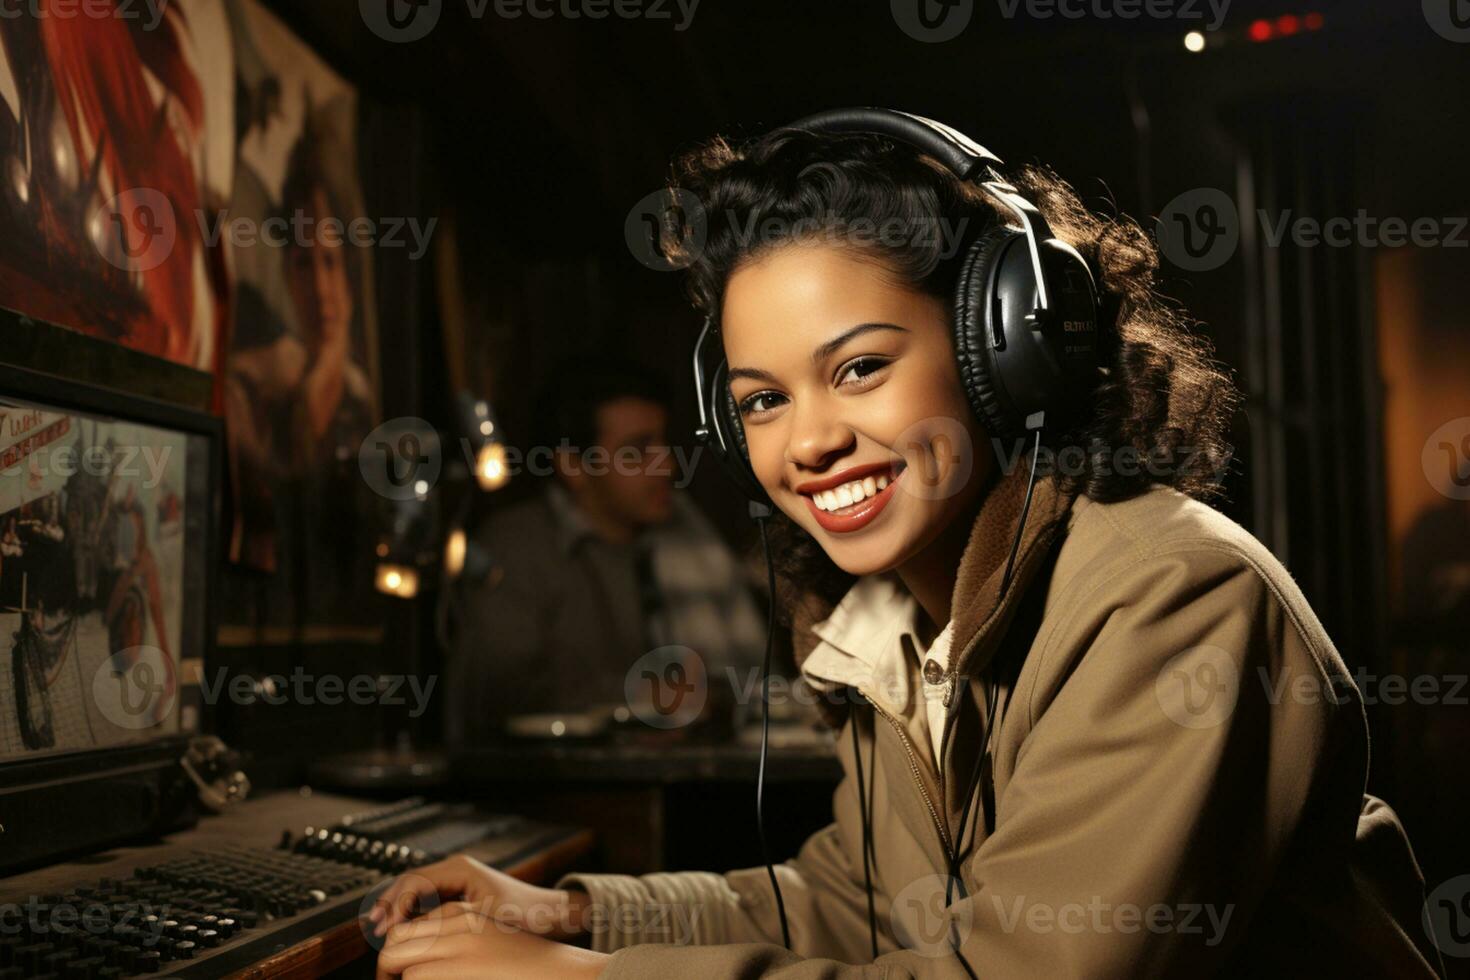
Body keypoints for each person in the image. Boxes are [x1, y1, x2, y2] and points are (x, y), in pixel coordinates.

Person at [370, 114, 1443, 977]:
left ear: (1004, 348)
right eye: (761, 399)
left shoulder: (1173, 598)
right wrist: (571, 911)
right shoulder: (897, 620)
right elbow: (850, 900)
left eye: (859, 368)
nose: (810, 441)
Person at [447, 359, 766, 741]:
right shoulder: (517, 545)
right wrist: (637, 695)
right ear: (573, 466)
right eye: (637, 451)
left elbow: (746, 678)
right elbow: (494, 694)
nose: (666, 466)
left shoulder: (684, 536)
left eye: (663, 445)